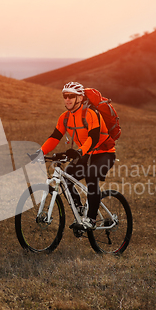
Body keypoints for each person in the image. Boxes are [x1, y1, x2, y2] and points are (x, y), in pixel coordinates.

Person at [34, 82, 116, 230]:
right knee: (66, 177)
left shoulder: (91, 113)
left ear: (80, 98)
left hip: (104, 153)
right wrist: (40, 152)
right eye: (65, 96)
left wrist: (79, 152)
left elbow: (94, 137)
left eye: (71, 96)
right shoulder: (65, 117)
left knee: (91, 176)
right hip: (85, 154)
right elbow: (55, 137)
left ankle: (91, 219)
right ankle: (79, 208)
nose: (67, 99)